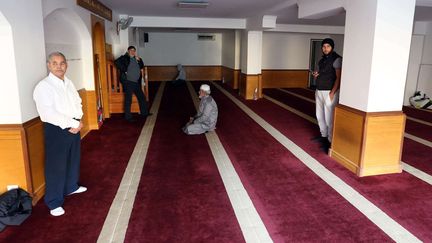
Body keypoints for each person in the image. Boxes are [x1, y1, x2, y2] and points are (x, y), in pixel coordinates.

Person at [33, 52, 87, 216]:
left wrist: (78, 120)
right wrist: (73, 123)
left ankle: (71, 186)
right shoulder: (44, 86)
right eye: (55, 63)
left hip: (74, 126)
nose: (59, 66)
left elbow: (78, 102)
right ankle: (54, 201)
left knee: (73, 158)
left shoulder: (68, 82)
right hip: (57, 129)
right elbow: (48, 113)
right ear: (49, 65)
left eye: (62, 63)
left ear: (66, 65)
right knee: (56, 165)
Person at [311, 38, 342, 153]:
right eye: (324, 46)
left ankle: (329, 141)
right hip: (319, 90)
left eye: (328, 46)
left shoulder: (337, 59)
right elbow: (321, 73)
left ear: (332, 47)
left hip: (329, 92)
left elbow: (339, 77)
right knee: (319, 115)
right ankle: (323, 136)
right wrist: (316, 74)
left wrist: (332, 93)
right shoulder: (322, 60)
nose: (325, 48)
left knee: (329, 118)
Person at [114, 46, 151, 122]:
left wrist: (139, 60)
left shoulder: (136, 59)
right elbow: (116, 62)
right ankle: (128, 117)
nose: (132, 52)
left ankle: (144, 113)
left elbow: (142, 66)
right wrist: (125, 70)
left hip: (136, 82)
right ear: (128, 51)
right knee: (128, 99)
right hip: (128, 82)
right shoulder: (124, 57)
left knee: (142, 97)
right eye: (131, 50)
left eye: (134, 50)